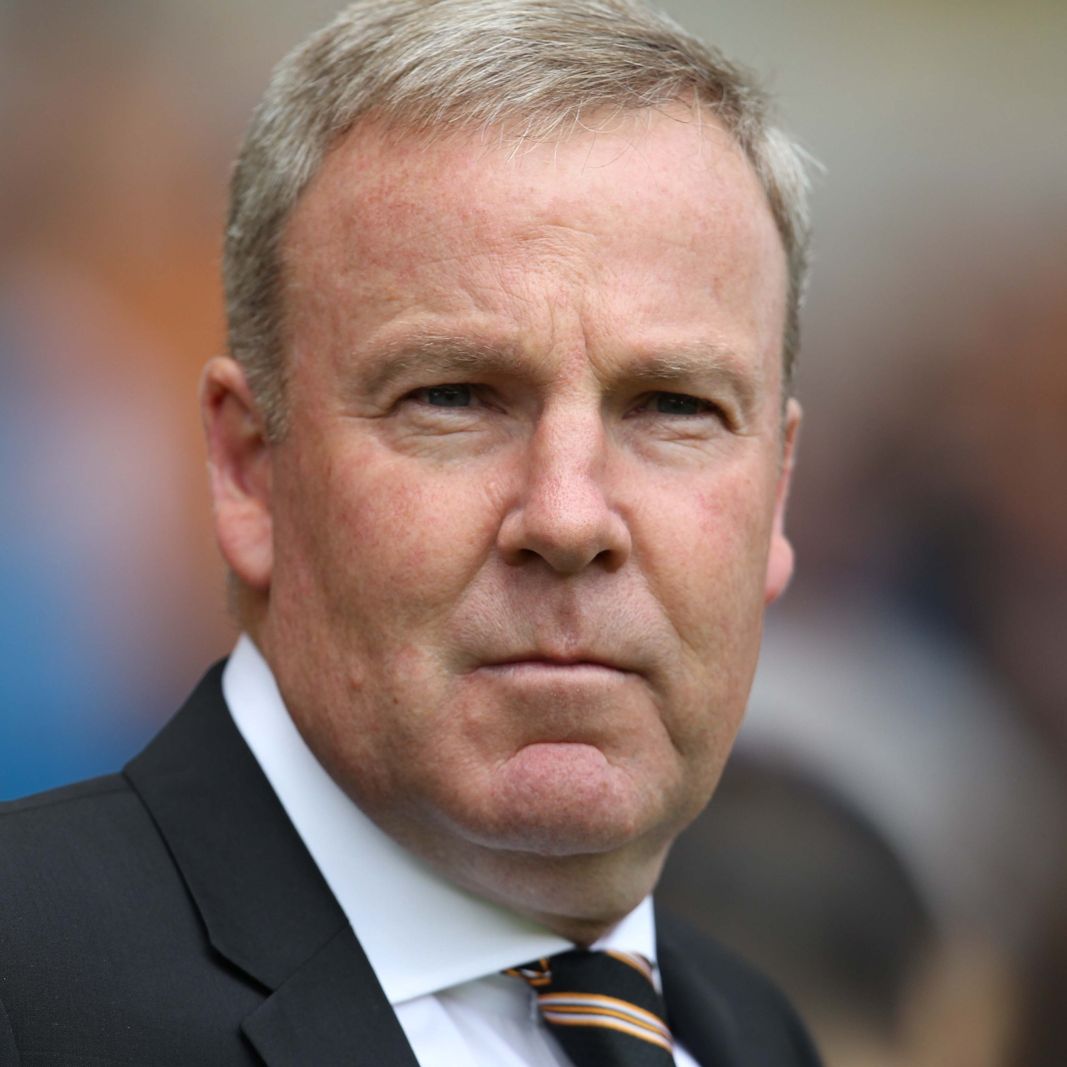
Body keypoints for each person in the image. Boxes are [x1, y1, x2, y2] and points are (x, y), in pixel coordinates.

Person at [0, 1, 819, 1064]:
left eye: (673, 406)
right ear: (249, 469)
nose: (568, 516)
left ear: (776, 493)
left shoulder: (757, 1033)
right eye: (453, 397)